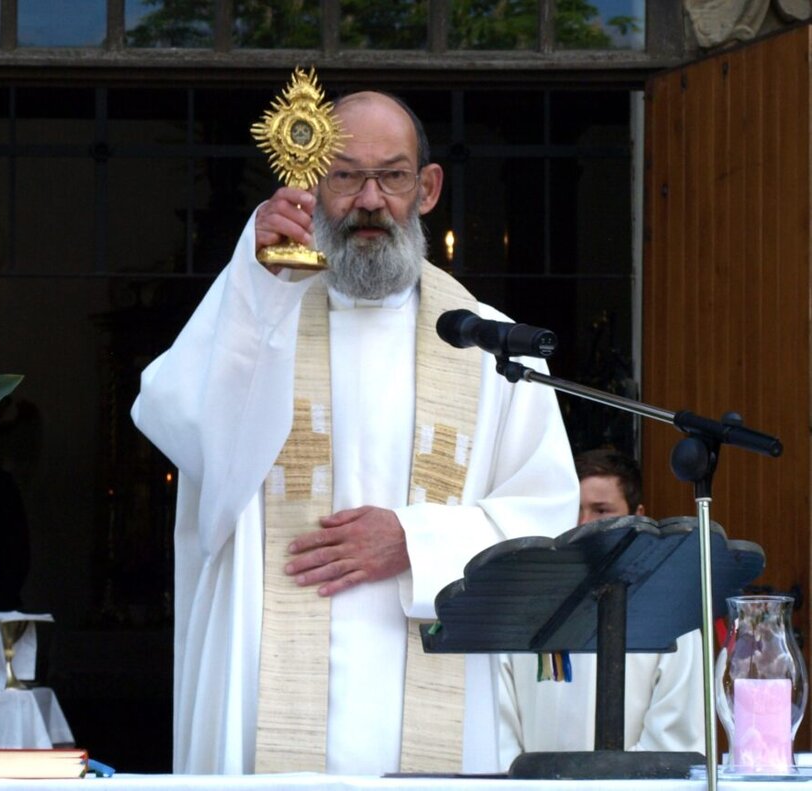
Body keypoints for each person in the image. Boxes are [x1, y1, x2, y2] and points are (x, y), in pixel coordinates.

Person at [131, 90, 579, 775]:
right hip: (267, 690)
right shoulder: (259, 306)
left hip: (442, 700)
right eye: (345, 175)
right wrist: (253, 281)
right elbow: (181, 426)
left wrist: (414, 539)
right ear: (312, 181)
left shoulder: (490, 346)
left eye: (393, 176)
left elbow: (548, 518)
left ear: (427, 188)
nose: (370, 200)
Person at [496, 448, 705, 769]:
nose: (583, 524)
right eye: (574, 509)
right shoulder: (520, 604)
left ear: (637, 515)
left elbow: (672, 735)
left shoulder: (671, 614)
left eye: (601, 510)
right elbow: (499, 726)